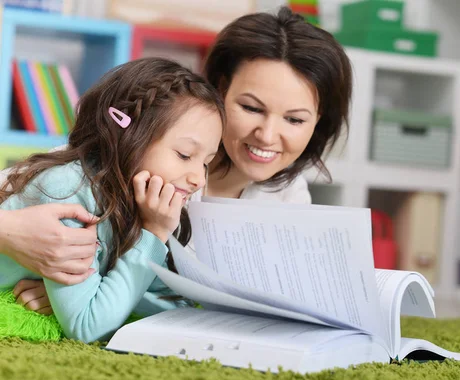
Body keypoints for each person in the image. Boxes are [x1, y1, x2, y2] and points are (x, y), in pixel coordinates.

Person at [9, 7, 352, 317]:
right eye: (251, 108)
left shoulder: (290, 200)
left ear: (319, 121)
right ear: (218, 90)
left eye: (295, 120)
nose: (267, 134)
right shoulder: (126, 164)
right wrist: (11, 233)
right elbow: (27, 191)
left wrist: (92, 291)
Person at [0, 57, 224, 342]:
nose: (199, 179)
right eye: (184, 155)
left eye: (206, 162)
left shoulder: (144, 199)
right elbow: (88, 327)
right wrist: (153, 234)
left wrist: (104, 289)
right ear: (128, 136)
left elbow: (173, 304)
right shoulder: (69, 190)